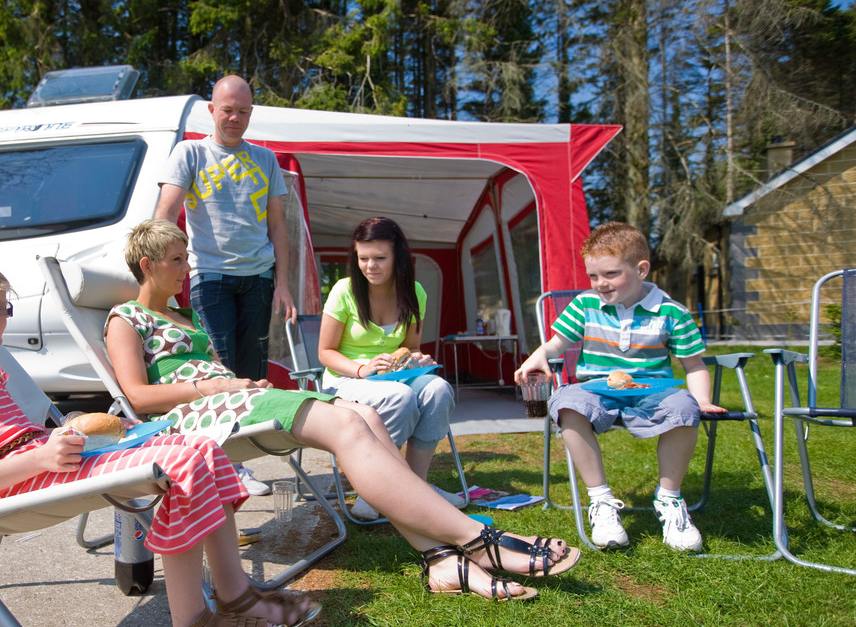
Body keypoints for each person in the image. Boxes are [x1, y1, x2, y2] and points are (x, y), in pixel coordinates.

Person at [0, 252, 319, 627]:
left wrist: (93, 433)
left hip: (43, 459)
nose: (7, 317)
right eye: (0, 309)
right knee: (182, 462)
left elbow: (20, 433)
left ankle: (235, 595)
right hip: (12, 480)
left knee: (200, 446)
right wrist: (38, 457)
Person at [105, 219, 583, 602]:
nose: (187, 268)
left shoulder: (183, 318)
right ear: (147, 265)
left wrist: (231, 383)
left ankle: (442, 560)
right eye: (176, 260)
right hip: (200, 416)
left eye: (186, 258)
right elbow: (137, 397)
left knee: (367, 418)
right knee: (349, 421)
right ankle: (479, 539)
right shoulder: (126, 318)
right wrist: (215, 384)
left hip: (231, 399)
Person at [513, 222, 726, 552]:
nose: (600, 284)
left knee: (686, 407)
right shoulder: (586, 305)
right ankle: (601, 501)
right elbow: (556, 344)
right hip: (597, 390)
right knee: (566, 401)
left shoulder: (672, 313)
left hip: (654, 390)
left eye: (610, 274)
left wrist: (701, 400)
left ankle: (670, 500)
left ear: (641, 269)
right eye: (594, 276)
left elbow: (694, 365)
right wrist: (537, 358)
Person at [155, 74, 294, 497]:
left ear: (252, 113)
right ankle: (220, 464)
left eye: (243, 111)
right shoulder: (190, 152)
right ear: (212, 110)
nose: (235, 118)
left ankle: (239, 464)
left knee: (251, 373)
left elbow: (277, 226)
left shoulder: (266, 159)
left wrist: (283, 284)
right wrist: (158, 275)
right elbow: (166, 212)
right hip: (210, 276)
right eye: (228, 110)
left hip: (259, 278)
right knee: (219, 369)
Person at [316, 217, 463, 522]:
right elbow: (325, 353)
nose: (370, 266)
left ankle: (415, 487)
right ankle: (376, 490)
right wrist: (362, 369)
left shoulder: (415, 292)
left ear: (398, 257)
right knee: (400, 397)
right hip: (346, 378)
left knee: (437, 389)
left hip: (391, 376)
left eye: (380, 258)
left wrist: (411, 360)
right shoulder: (344, 291)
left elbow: (409, 345)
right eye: (363, 258)